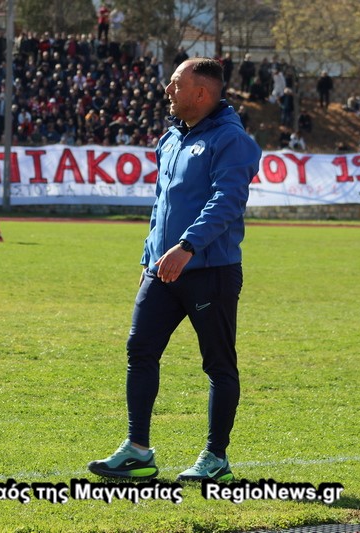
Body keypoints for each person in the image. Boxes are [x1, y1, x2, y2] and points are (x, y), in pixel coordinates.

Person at [87, 58, 261, 482]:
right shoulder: (171, 138)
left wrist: (187, 246)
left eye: (176, 83)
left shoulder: (232, 140)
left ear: (200, 93)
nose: (167, 90)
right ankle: (137, 451)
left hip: (209, 270)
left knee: (218, 364)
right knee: (140, 350)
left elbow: (227, 201)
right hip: (161, 270)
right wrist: (149, 257)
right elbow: (161, 205)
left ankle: (215, 458)